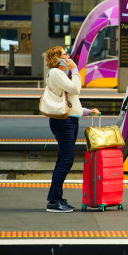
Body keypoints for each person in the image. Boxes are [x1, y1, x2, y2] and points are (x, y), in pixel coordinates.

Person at [44, 46, 99, 213]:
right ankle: (53, 201)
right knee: (66, 160)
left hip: (69, 120)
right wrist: (75, 70)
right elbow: (76, 89)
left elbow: (69, 102)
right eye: (64, 54)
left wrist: (86, 111)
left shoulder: (61, 75)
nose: (68, 56)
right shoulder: (55, 73)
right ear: (57, 59)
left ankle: (57, 198)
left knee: (64, 160)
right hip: (63, 122)